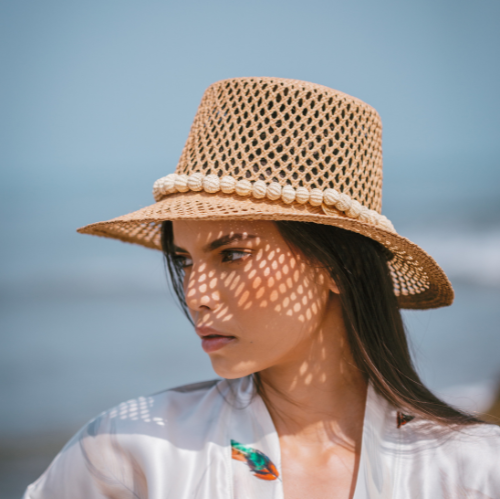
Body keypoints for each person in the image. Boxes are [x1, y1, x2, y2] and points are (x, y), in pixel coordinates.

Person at [23, 77, 500, 499]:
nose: (196, 294)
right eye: (183, 261)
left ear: (335, 265)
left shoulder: (473, 472)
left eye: (232, 254)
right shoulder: (126, 455)